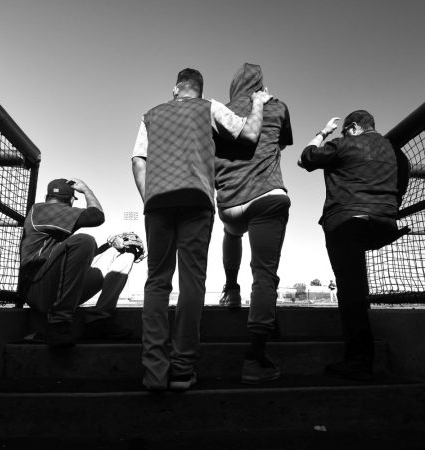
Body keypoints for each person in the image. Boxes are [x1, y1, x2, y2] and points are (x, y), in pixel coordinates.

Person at [132, 68, 272, 391]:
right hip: (196, 200)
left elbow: (138, 160)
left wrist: (149, 198)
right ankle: (182, 370)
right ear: (199, 88)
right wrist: (259, 103)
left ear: (175, 89)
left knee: (157, 282)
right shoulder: (209, 107)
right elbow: (249, 135)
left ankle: (154, 373)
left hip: (158, 204)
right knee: (192, 281)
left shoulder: (150, 115)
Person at [298, 110, 409, 380]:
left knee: (350, 290)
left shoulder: (344, 144)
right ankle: (361, 353)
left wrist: (324, 133)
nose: (345, 133)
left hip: (346, 223)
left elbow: (306, 159)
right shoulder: (398, 153)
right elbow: (402, 186)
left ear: (355, 127)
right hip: (384, 225)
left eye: (346, 129)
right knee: (356, 280)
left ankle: (359, 360)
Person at [214, 63, 293, 384]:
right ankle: (255, 358)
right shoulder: (277, 106)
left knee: (231, 232)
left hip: (230, 203)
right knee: (264, 274)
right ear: (260, 84)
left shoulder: (219, 112)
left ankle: (231, 290)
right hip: (267, 198)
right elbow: (282, 143)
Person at [20, 178, 144, 348]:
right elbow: (96, 216)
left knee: (126, 252)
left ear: (46, 196)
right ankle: (58, 323)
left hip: (55, 286)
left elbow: (82, 260)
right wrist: (86, 190)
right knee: (84, 240)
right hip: (37, 289)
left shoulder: (51, 217)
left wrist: (110, 244)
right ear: (71, 200)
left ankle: (99, 319)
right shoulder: (40, 210)